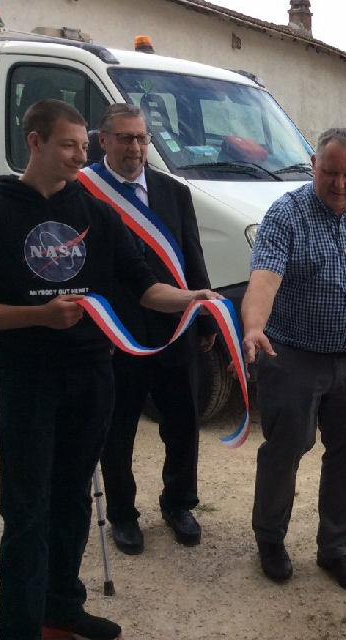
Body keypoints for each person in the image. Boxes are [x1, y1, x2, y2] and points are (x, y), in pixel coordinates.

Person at [0, 99, 220, 640]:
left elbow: (145, 287)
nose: (82, 157)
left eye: (84, 146)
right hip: (29, 383)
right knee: (26, 511)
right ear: (34, 142)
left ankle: (61, 608)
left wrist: (195, 298)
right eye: (69, 146)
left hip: (91, 379)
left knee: (74, 501)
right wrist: (36, 315)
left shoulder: (99, 213)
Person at [241, 127, 346, 595]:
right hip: (292, 354)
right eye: (330, 172)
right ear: (314, 164)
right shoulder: (286, 215)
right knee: (285, 449)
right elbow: (264, 280)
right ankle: (270, 538)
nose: (339, 184)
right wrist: (254, 326)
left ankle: (335, 548)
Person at [91, 104, 216, 555]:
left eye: (141, 138)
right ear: (103, 141)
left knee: (183, 423)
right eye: (125, 138)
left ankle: (179, 503)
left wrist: (204, 318)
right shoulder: (88, 192)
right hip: (117, 335)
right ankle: (123, 515)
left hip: (174, 328)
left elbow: (191, 256)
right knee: (118, 428)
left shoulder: (173, 192)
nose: (136, 147)